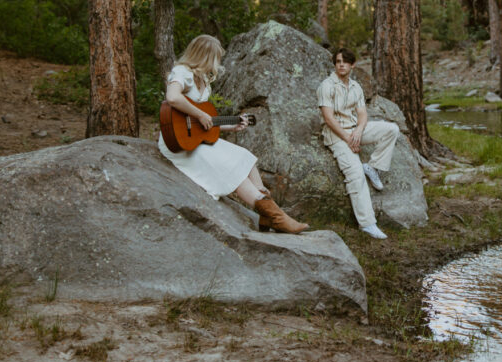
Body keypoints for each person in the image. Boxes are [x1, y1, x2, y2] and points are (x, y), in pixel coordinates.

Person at [159, 35, 307, 234]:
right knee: (230, 169)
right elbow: (173, 98)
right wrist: (201, 113)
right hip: (178, 144)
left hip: (195, 140)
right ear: (205, 56)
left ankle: (269, 215)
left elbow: (201, 125)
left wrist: (231, 127)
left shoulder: (203, 80)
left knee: (246, 159)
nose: (218, 63)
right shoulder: (181, 72)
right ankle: (276, 217)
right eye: (216, 58)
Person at [317, 47, 400, 239]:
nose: (341, 65)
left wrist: (358, 132)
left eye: (345, 62)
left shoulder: (355, 86)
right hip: (336, 135)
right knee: (355, 174)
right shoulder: (327, 86)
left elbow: (362, 114)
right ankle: (367, 224)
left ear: (352, 65)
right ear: (335, 64)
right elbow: (328, 119)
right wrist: (348, 139)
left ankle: (373, 167)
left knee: (391, 129)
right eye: (338, 62)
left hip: (354, 130)